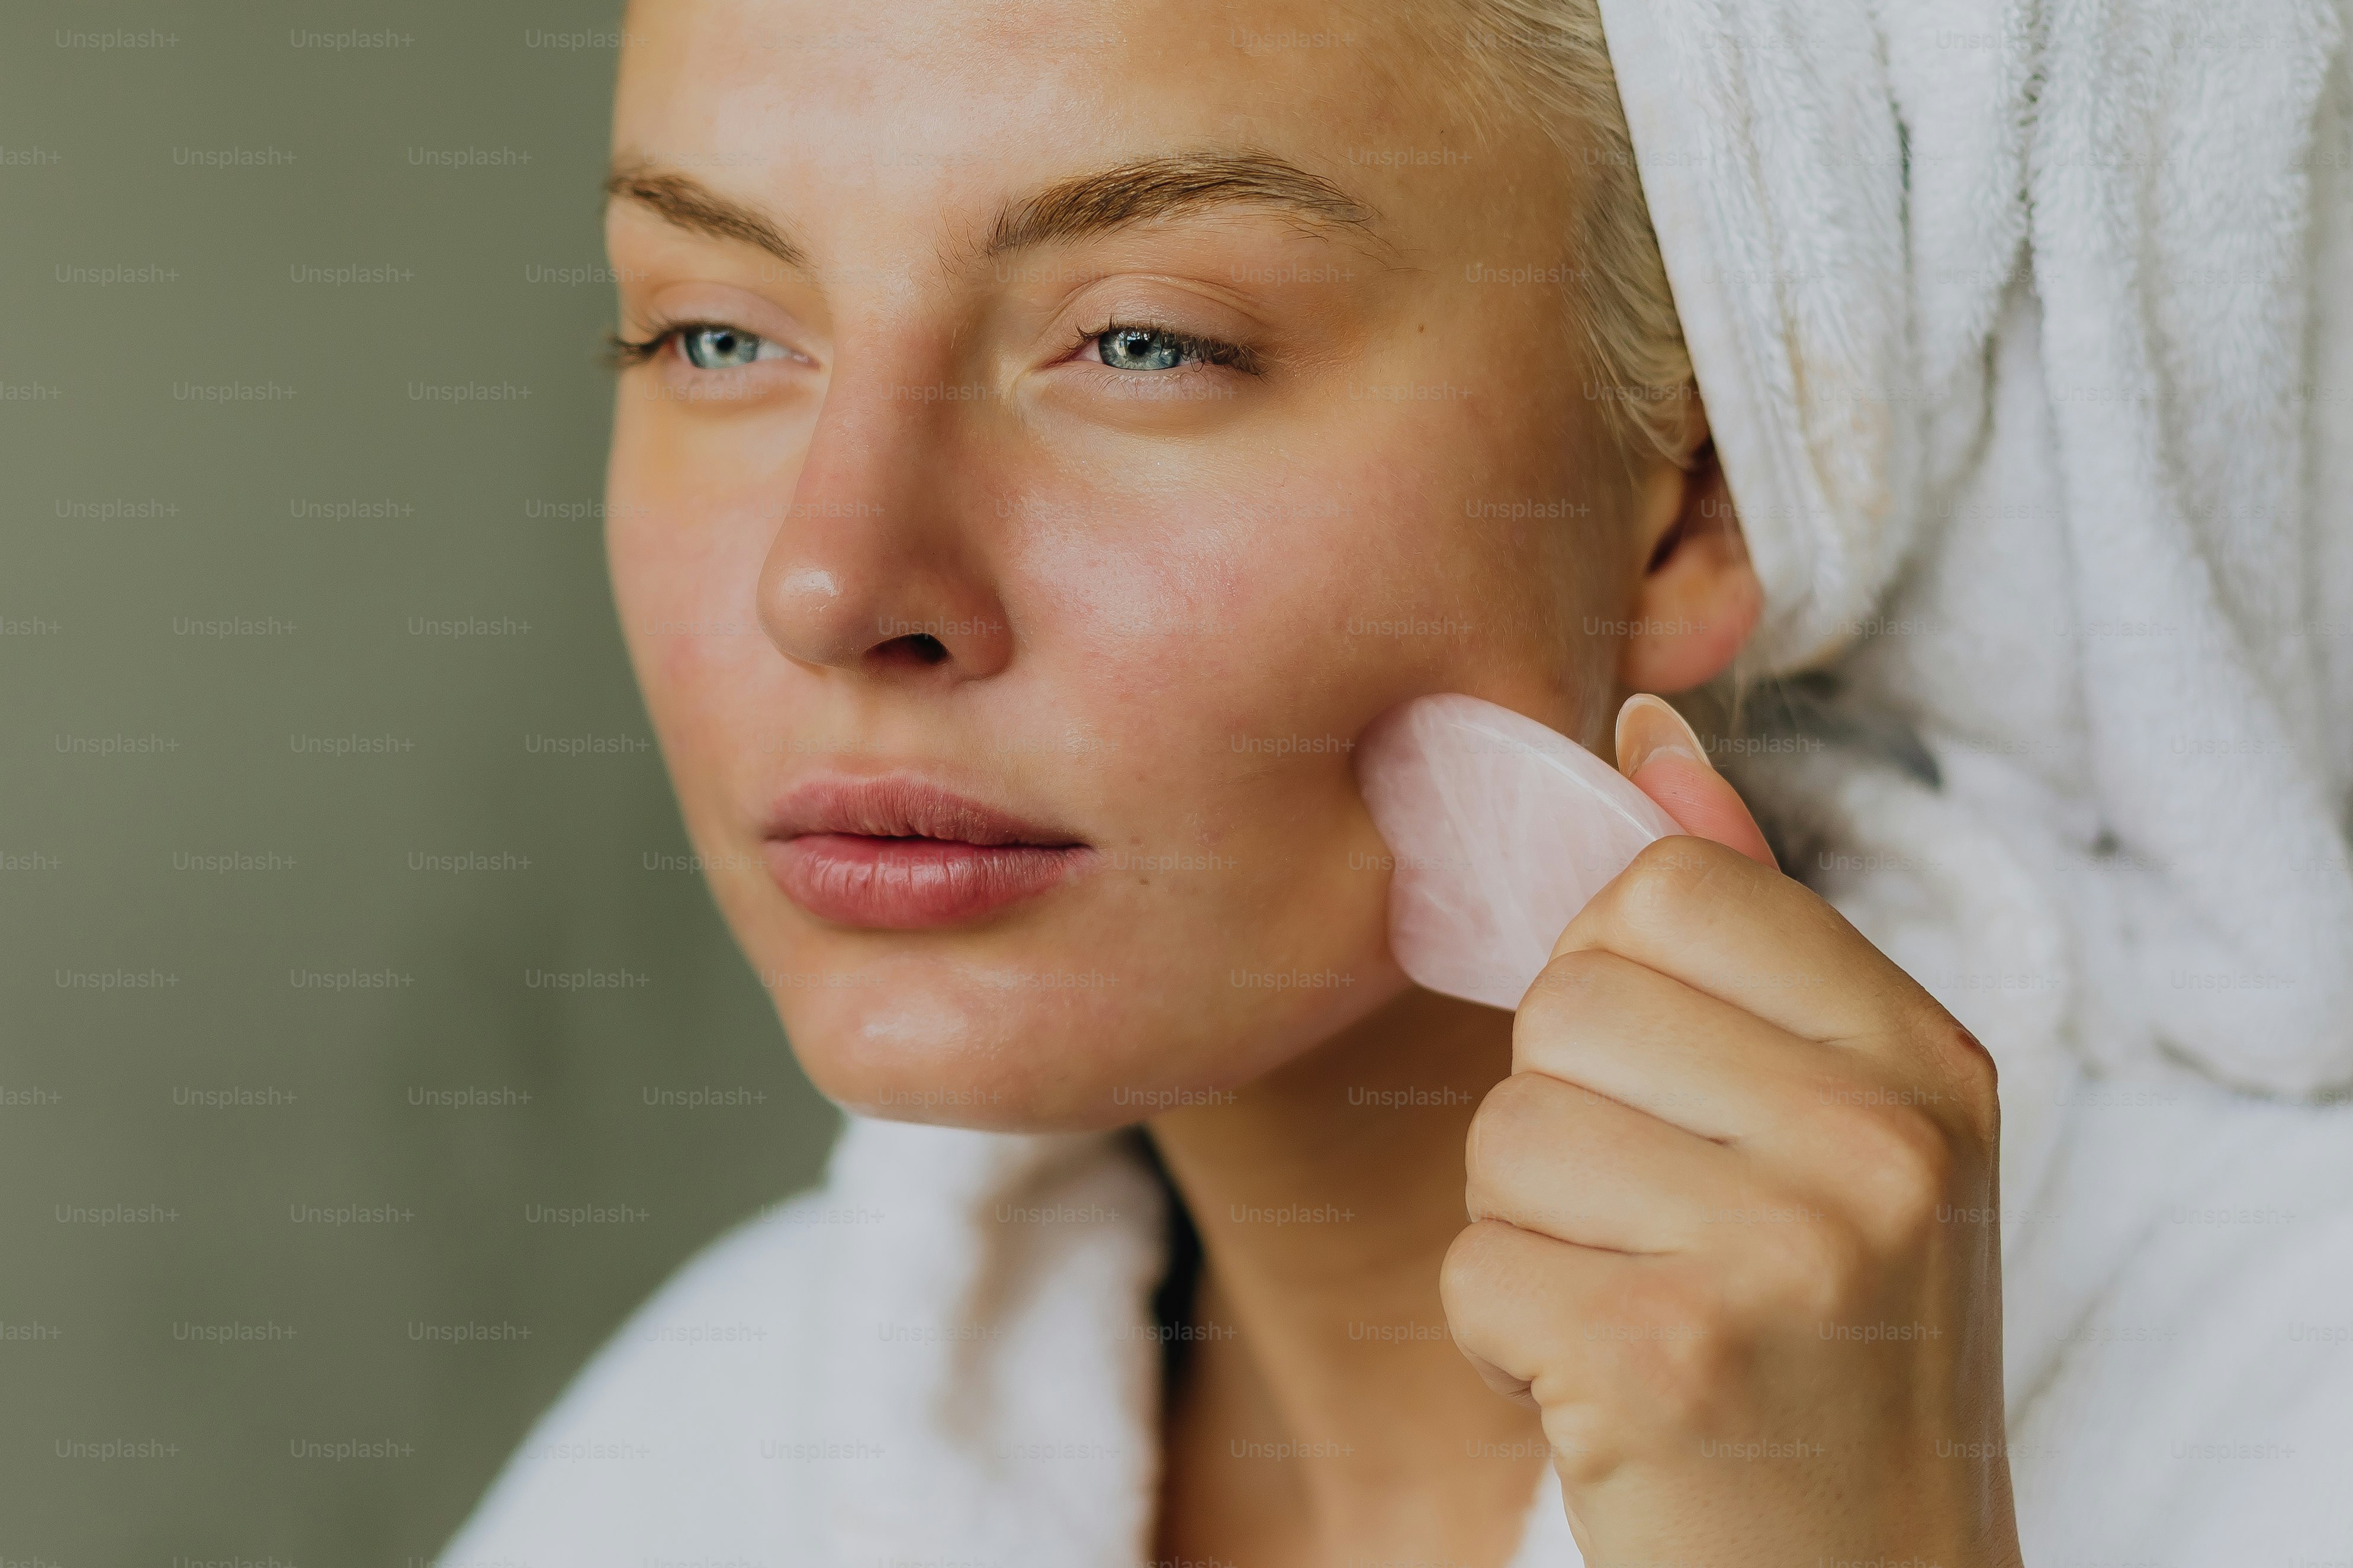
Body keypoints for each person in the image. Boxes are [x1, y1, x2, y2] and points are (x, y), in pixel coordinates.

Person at [449, 1, 2353, 1564]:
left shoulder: (2291, 1419)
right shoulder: (691, 1466)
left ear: (1695, 492)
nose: (834, 581)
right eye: (715, 331)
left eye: (1144, 340)